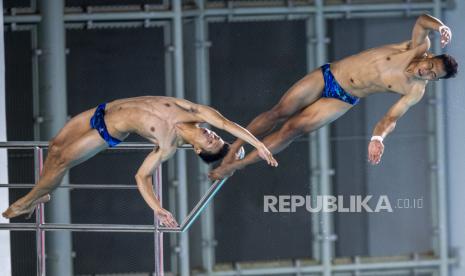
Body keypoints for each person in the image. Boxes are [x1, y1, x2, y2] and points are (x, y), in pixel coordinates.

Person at [209, 13, 458, 180]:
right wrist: (442, 26)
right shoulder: (416, 48)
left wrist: (378, 138)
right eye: (431, 67)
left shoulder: (414, 89)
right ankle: (236, 148)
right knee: (279, 112)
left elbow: (390, 118)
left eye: (432, 77)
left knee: (292, 130)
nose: (426, 73)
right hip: (329, 75)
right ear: (429, 57)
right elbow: (423, 21)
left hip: (343, 98)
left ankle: (235, 166)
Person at [2, 96, 278, 226]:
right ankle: (43, 195)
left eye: (210, 141)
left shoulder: (167, 145)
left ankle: (24, 203)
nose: (211, 134)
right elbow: (229, 124)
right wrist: (258, 145)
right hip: (103, 109)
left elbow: (141, 176)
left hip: (108, 130)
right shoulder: (195, 112)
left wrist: (158, 208)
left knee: (61, 161)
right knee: (54, 146)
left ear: (196, 150)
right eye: (214, 136)